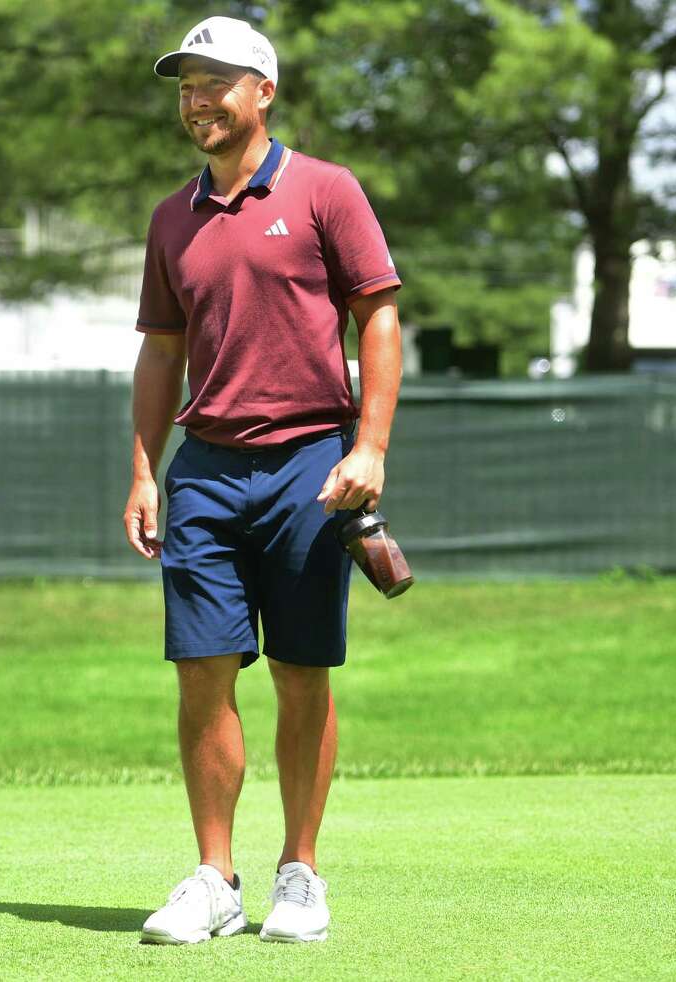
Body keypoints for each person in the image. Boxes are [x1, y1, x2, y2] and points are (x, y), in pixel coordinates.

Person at [124, 16, 402, 945]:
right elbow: (161, 355)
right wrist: (143, 470)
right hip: (203, 470)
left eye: (214, 82)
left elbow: (379, 321)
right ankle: (215, 878)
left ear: (263, 91)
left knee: (302, 673)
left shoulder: (326, 189)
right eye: (185, 86)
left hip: (310, 467)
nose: (196, 100)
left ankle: (301, 875)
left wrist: (368, 448)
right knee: (200, 674)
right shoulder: (172, 217)